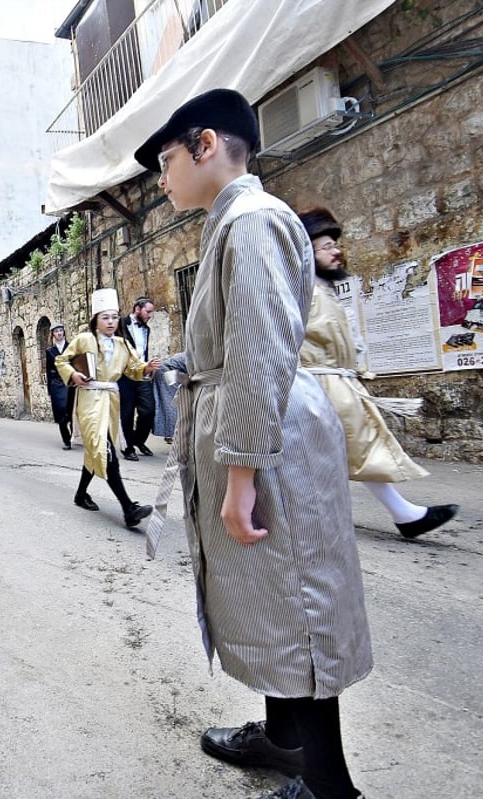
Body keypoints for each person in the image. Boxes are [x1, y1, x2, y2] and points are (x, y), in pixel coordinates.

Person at [135, 89, 372, 799]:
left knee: (297, 603)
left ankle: (330, 785)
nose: (162, 177)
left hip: (267, 440)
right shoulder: (229, 222)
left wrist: (241, 476)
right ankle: (284, 738)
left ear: (205, 144)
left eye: (166, 160)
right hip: (252, 430)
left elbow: (262, 350)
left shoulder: (254, 219)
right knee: (269, 597)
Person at [297, 207, 459, 539]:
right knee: (341, 451)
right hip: (315, 386)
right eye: (326, 246)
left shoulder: (320, 290)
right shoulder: (299, 291)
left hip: (334, 384)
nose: (336, 252)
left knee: (352, 449)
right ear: (306, 252)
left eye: (333, 245)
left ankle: (404, 514)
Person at [55, 289, 156, 529]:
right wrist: (74, 375)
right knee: (104, 449)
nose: (110, 322)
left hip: (110, 402)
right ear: (96, 320)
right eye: (105, 317)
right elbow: (62, 360)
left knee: (96, 450)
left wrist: (146, 368)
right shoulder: (83, 339)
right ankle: (129, 508)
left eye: (114, 317)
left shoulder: (123, 344)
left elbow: (132, 369)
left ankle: (81, 494)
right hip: (89, 400)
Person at [118, 297, 162, 459]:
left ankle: (138, 440)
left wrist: (149, 367)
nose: (150, 315)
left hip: (142, 374)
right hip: (124, 376)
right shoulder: (120, 324)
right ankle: (128, 448)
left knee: (149, 411)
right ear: (137, 309)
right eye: (148, 311)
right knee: (127, 413)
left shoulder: (146, 329)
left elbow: (142, 352)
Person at [45, 322, 75, 449]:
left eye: (61, 331)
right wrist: (50, 389)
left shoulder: (71, 347)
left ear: (64, 332)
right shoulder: (50, 351)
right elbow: (48, 370)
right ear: (53, 334)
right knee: (60, 413)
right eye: (56, 331)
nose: (59, 333)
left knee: (72, 412)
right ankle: (66, 440)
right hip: (57, 384)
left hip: (71, 382)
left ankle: (74, 434)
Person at [150, 351, 187, 444]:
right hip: (167, 371)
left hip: (171, 371)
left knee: (173, 403)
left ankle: (171, 434)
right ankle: (172, 434)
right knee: (172, 404)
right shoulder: (194, 355)